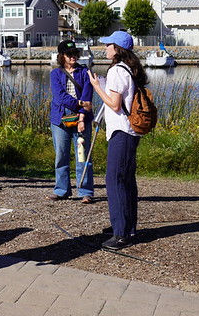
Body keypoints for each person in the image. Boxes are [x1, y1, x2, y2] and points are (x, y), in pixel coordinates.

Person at [88, 30, 146, 250]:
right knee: (127, 180)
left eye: (108, 44)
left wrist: (96, 87)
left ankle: (120, 233)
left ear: (117, 48)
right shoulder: (130, 69)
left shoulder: (116, 71)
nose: (105, 48)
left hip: (121, 131)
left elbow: (114, 104)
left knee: (114, 181)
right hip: (130, 132)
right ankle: (128, 227)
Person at [48, 39, 94, 203]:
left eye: (75, 53)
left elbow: (88, 95)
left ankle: (85, 191)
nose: (73, 56)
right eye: (69, 54)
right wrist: (80, 103)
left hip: (82, 117)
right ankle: (61, 190)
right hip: (60, 118)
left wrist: (82, 115)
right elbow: (60, 97)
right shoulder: (55, 74)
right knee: (61, 155)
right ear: (62, 56)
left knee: (82, 155)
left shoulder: (85, 72)